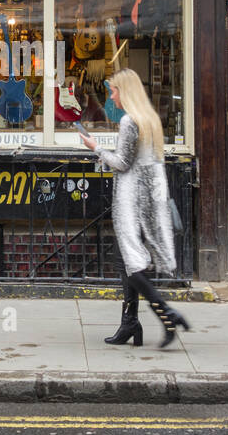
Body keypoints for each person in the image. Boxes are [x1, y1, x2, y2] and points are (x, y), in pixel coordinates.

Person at [79, 69, 188, 347]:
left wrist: (95, 148)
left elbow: (123, 163)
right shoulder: (149, 119)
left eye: (114, 90)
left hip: (131, 202)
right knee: (127, 262)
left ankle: (166, 313)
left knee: (131, 264)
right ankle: (130, 324)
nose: (111, 96)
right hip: (150, 200)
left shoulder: (129, 121)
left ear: (125, 91)